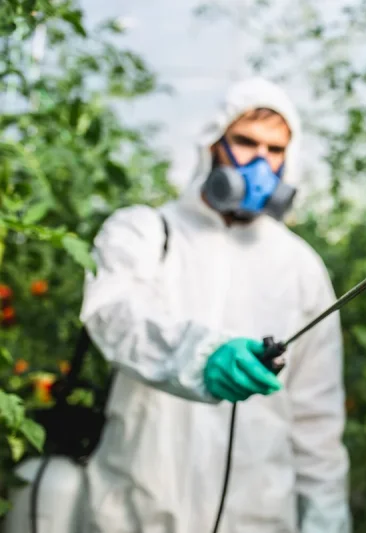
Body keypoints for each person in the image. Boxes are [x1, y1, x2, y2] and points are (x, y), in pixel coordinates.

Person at [77, 77, 351, 533]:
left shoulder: (300, 266)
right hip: (138, 507)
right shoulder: (145, 232)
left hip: (259, 516)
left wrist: (326, 522)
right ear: (212, 145)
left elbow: (316, 419)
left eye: (275, 150)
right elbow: (114, 315)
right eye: (245, 142)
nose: (261, 163)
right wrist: (200, 356)